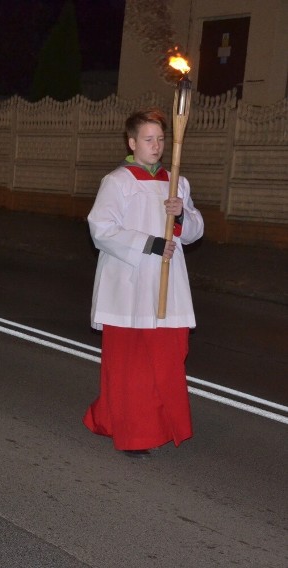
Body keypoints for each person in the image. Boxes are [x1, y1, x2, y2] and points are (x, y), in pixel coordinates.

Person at [82, 108, 204, 458]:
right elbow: (101, 229)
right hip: (130, 285)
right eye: (149, 140)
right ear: (132, 142)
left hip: (169, 286)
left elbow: (195, 231)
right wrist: (149, 244)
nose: (157, 146)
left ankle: (157, 423)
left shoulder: (176, 180)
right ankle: (133, 431)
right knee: (130, 365)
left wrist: (181, 215)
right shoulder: (118, 181)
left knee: (167, 358)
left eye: (161, 139)